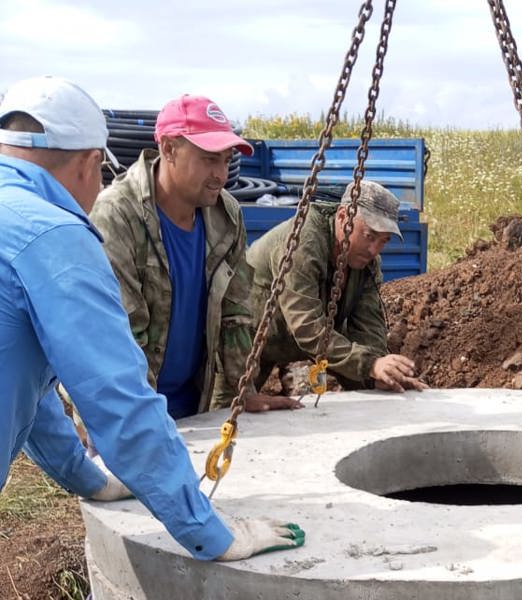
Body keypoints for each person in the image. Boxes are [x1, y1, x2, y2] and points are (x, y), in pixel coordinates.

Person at [0, 75, 301, 561]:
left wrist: (90, 479)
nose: (221, 173)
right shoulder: (54, 234)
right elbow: (116, 398)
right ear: (90, 163)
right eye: (209, 158)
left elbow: (30, 395)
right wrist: (213, 533)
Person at [90, 94, 300, 418]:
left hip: (191, 407)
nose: (222, 174)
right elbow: (118, 339)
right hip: (122, 412)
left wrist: (243, 391)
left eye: (227, 160)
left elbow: (235, 313)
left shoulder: (225, 214)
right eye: (209, 159)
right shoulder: (117, 216)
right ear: (169, 149)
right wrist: (145, 429)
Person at [247, 180, 427, 392]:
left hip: (298, 343)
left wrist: (381, 373)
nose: (373, 250)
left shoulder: (365, 263)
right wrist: (369, 365)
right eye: (369, 236)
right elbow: (308, 328)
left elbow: (369, 326)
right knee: (223, 415)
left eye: (384, 241)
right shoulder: (302, 243)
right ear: (343, 216)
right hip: (245, 343)